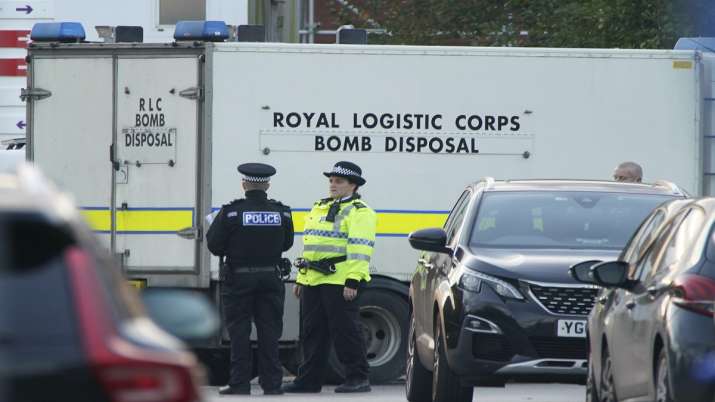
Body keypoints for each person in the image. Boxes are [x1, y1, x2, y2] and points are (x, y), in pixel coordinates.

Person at [282, 161, 377, 394]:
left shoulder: (360, 211)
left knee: (346, 331)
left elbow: (360, 248)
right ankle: (309, 380)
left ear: (353, 185)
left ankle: (358, 377)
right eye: (331, 181)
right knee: (312, 332)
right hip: (314, 279)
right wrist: (302, 279)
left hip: (341, 279)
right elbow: (312, 246)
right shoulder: (320, 206)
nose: (333, 185)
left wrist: (353, 279)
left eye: (339, 181)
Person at [206, 162, 294, 396]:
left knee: (239, 333)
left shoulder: (231, 212)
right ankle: (272, 385)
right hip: (270, 278)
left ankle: (240, 383)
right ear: (267, 185)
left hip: (239, 280)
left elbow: (214, 246)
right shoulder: (282, 212)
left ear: (244, 183)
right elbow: (287, 244)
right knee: (270, 332)